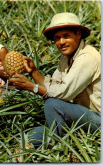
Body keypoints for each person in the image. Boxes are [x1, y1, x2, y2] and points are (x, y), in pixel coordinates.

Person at [9, 12, 101, 148]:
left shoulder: (87, 57)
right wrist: (34, 71)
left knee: (52, 104)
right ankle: (66, 138)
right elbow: (53, 85)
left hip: (97, 119)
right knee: (30, 136)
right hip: (77, 117)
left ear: (78, 34)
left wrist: (31, 86)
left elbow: (62, 93)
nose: (61, 42)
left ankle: (64, 146)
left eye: (66, 36)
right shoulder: (66, 57)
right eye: (57, 38)